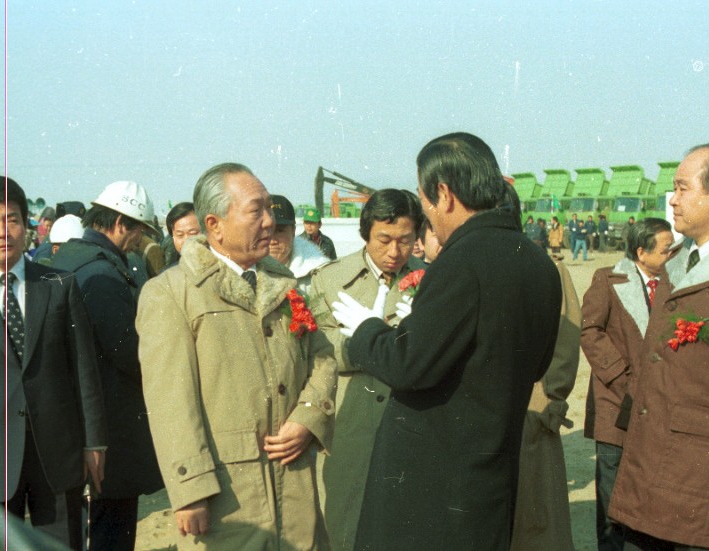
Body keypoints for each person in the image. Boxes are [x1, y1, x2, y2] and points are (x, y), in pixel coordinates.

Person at [331, 132, 562, 550]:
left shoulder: (461, 260)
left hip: (432, 489)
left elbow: (408, 364)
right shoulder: (538, 263)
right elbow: (537, 363)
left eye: (425, 202)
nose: (427, 217)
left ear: (444, 193)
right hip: (490, 477)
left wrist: (368, 329)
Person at [136, 162, 337, 550]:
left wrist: (309, 416)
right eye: (255, 210)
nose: (269, 221)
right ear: (215, 225)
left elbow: (322, 356)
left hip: (295, 486)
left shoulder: (283, 282)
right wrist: (190, 490)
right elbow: (170, 401)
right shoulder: (172, 292)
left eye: (270, 210)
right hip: (229, 496)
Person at [609, 144, 709, 551]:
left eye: (682, 188)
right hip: (653, 461)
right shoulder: (680, 258)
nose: (672, 200)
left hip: (708, 477)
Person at [0, 175, 107, 550]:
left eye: (13, 219)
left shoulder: (58, 284)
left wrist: (95, 443)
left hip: (58, 453)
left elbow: (84, 369)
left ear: (27, 225)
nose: (4, 231)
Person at [308, 188, 426, 551]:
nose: (395, 252)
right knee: (345, 519)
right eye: (384, 240)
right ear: (365, 234)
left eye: (406, 241)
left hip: (410, 418)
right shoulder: (329, 279)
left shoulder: (431, 279)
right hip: (351, 419)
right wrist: (380, 344)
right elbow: (321, 352)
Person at [52, 181, 163, 551]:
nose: (138, 241)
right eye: (138, 232)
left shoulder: (69, 257)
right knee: (112, 530)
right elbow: (129, 353)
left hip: (81, 421)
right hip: (111, 427)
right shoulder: (101, 275)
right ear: (119, 223)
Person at [581, 218, 674, 551]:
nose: (673, 253)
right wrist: (624, 379)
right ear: (641, 252)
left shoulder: (674, 284)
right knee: (612, 498)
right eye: (667, 249)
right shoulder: (608, 280)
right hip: (616, 408)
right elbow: (591, 333)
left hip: (659, 409)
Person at [511, 258, 580, 551]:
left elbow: (567, 331)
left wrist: (548, 394)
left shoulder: (545, 265)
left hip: (529, 406)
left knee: (534, 513)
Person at [269, 195, 330, 292]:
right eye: (266, 230)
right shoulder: (244, 271)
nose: (272, 241)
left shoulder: (319, 274)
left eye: (280, 231)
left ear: (293, 231)